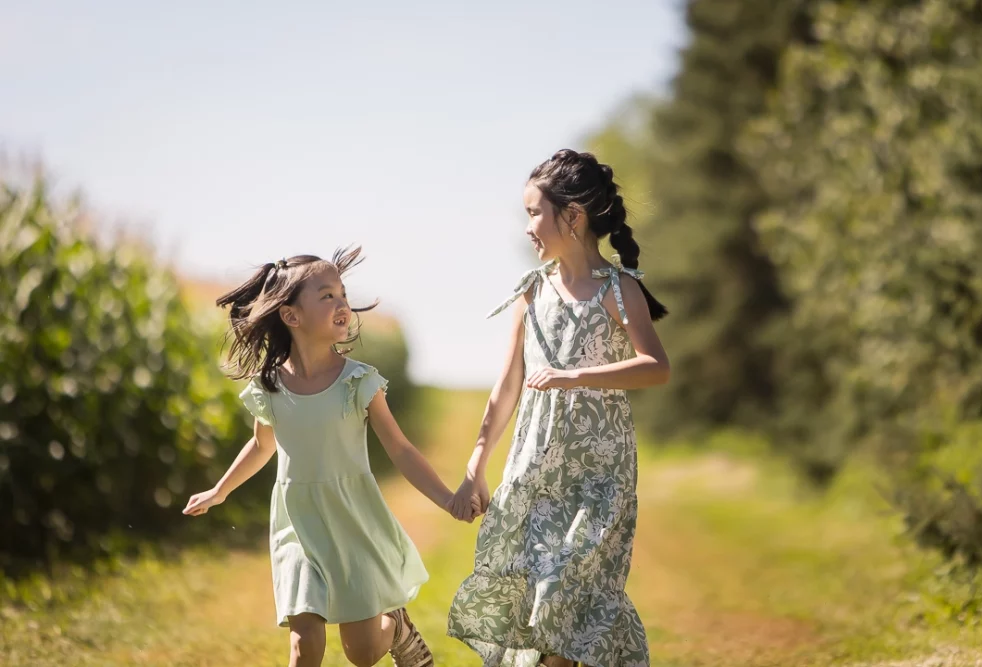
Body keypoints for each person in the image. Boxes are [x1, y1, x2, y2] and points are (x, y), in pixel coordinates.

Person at [184, 248, 475, 667]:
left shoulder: (358, 381)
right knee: (304, 646)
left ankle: (395, 628)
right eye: (326, 296)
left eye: (342, 293)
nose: (342, 304)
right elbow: (262, 446)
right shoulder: (271, 387)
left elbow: (400, 448)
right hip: (296, 524)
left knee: (362, 653)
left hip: (352, 520)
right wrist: (219, 490)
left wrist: (447, 498)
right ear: (291, 315)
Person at [447, 150, 670, 667]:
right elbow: (507, 387)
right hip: (535, 472)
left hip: (598, 476)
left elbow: (656, 366)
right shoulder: (532, 291)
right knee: (537, 614)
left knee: (567, 603)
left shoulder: (619, 289)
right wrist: (475, 468)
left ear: (572, 216)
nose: (528, 227)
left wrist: (576, 377)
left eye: (534, 213)